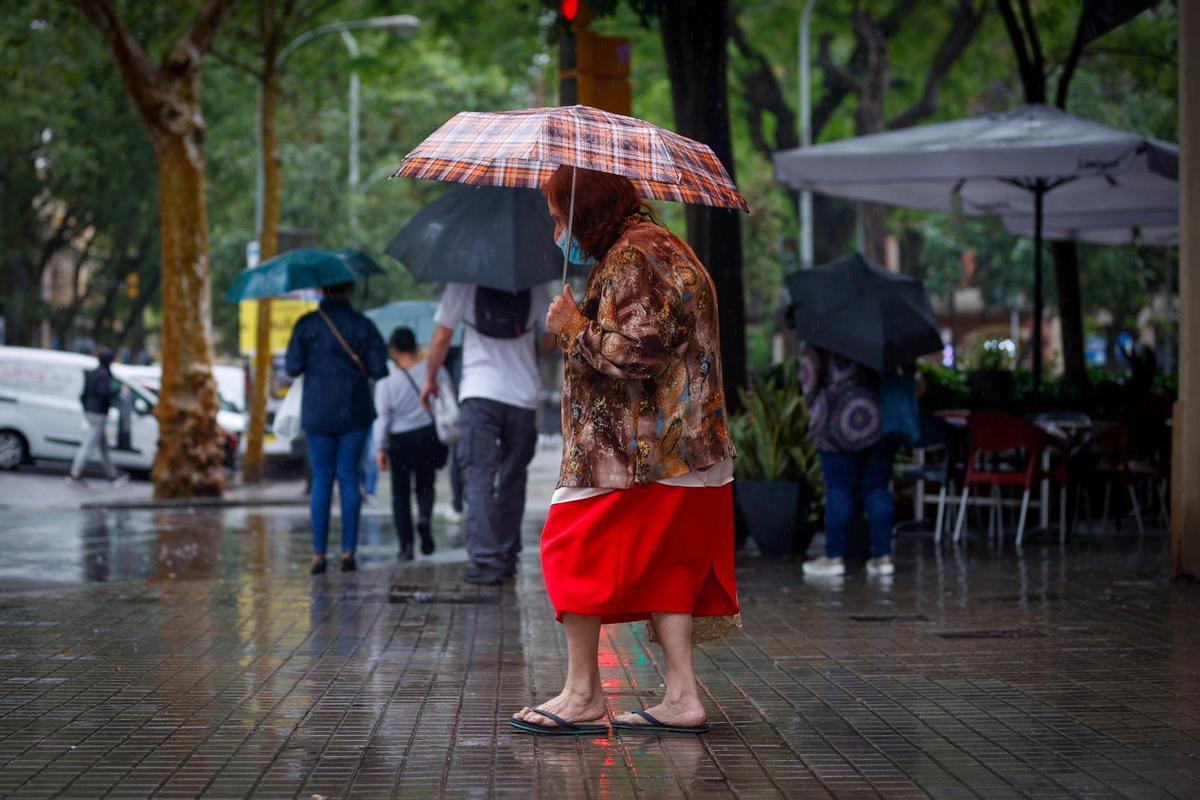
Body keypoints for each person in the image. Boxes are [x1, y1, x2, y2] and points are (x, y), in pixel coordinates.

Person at [509, 166, 739, 736]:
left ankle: (584, 693)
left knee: (569, 549)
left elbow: (640, 354)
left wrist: (571, 328)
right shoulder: (657, 247)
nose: (558, 232)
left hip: (634, 452)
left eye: (561, 218)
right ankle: (682, 697)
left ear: (586, 211)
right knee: (669, 570)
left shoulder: (637, 259)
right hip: (680, 450)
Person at [420, 284, 554, 586]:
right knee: (513, 477)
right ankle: (506, 557)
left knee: (478, 476)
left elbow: (442, 338)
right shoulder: (533, 286)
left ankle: (485, 560)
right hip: (523, 398)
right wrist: (530, 352)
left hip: (480, 394)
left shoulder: (462, 284)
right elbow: (554, 334)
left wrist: (430, 380)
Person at [285, 282, 388, 575]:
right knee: (348, 476)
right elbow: (380, 368)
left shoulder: (307, 325)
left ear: (320, 289)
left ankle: (319, 554)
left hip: (318, 412)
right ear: (351, 290)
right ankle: (348, 552)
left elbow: (292, 367)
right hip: (354, 410)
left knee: (321, 478)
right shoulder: (363, 325)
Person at [799, 345, 897, 577]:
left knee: (839, 488)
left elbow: (808, 378)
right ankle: (882, 558)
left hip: (835, 421)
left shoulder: (824, 331)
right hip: (877, 417)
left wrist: (814, 403)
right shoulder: (880, 328)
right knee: (877, 486)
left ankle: (834, 557)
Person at [373, 327, 453, 561]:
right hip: (428, 435)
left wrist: (380, 447)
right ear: (414, 345)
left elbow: (383, 418)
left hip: (399, 440)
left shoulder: (386, 381)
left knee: (400, 494)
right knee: (425, 485)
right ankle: (424, 518)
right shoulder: (432, 369)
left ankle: (405, 546)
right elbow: (446, 394)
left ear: (394, 350)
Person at [68, 348, 128, 487]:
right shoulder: (103, 374)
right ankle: (75, 474)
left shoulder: (93, 373)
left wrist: (86, 409)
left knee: (103, 447)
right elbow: (104, 394)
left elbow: (83, 394)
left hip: (91, 412)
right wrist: (118, 391)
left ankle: (112, 475)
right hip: (98, 414)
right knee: (88, 444)